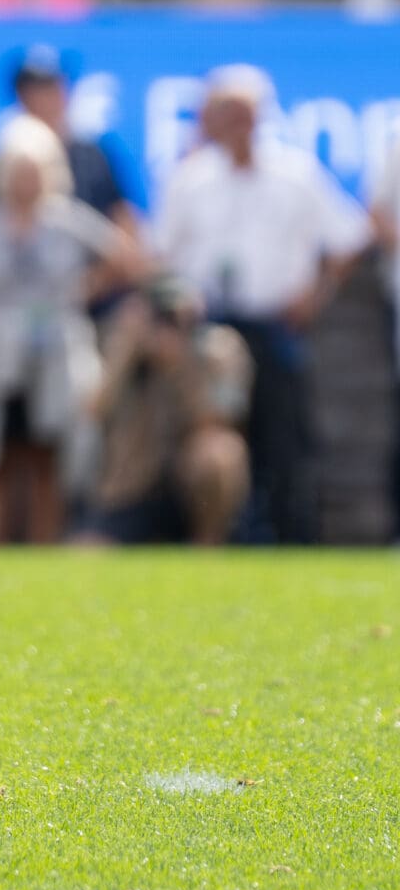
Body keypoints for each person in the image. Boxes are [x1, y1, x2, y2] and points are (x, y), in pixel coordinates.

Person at [156, 66, 369, 544]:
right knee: (214, 433)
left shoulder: (296, 173)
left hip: (275, 326)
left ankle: (289, 536)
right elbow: (163, 255)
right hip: (211, 331)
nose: (237, 124)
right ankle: (213, 533)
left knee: (284, 438)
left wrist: (313, 296)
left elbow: (349, 240)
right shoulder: (190, 178)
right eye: (226, 113)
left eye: (245, 113)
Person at [0, 118, 131, 544]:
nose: (27, 183)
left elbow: (124, 254)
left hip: (54, 351)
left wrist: (87, 288)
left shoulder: (68, 220)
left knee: (51, 444)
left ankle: (47, 536)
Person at [82, 277, 252, 546]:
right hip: (135, 482)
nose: (167, 327)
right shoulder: (129, 348)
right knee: (88, 550)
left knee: (219, 453)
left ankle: (208, 543)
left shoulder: (218, 349)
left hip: (189, 484)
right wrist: (125, 349)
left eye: (174, 318)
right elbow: (93, 411)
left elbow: (224, 419)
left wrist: (179, 365)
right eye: (160, 317)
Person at [0, 45, 146, 234]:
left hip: (83, 252)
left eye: (54, 87)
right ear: (20, 96)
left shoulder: (93, 155)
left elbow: (122, 214)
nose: (47, 98)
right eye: (36, 90)